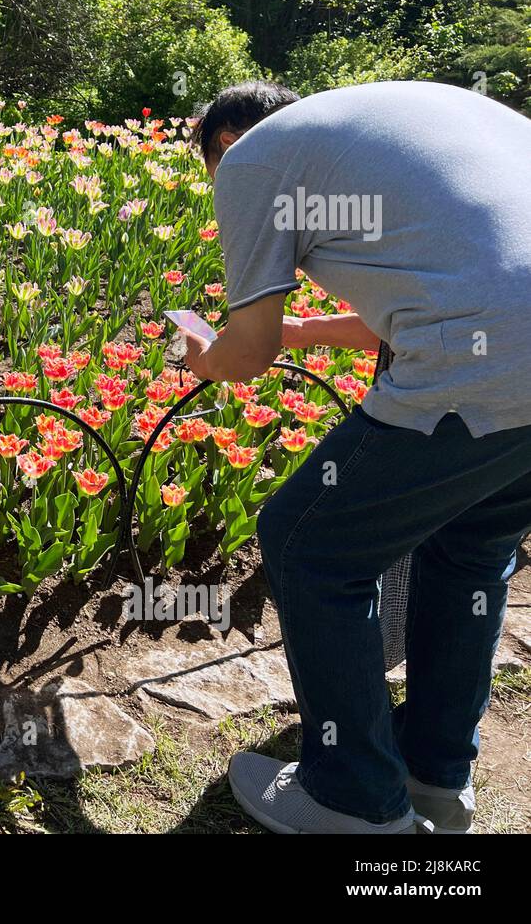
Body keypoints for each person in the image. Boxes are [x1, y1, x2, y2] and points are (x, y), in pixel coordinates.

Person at [183, 79, 531, 834]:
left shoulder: (250, 163)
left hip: (483, 362)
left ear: (221, 148)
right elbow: (449, 287)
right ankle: (435, 777)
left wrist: (204, 358)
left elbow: (249, 351)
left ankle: (355, 799)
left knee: (308, 543)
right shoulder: (407, 119)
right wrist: (307, 331)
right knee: (470, 553)